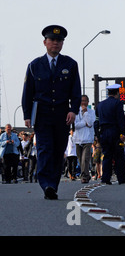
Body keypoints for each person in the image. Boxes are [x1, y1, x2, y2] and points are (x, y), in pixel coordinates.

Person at [22, 25, 81, 199]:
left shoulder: (70, 64)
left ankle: (52, 185)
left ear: (62, 43)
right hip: (42, 114)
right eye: (52, 40)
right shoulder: (34, 66)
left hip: (62, 115)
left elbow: (75, 91)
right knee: (44, 149)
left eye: (59, 40)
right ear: (45, 42)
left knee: (57, 151)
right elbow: (27, 92)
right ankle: (46, 183)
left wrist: (73, 110)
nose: (55, 43)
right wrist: (27, 115)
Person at [94, 83, 125, 185]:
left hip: (103, 133)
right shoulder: (118, 103)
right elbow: (121, 120)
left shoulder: (100, 105)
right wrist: (122, 134)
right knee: (118, 155)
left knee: (107, 155)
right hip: (114, 132)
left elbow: (96, 121)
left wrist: (97, 135)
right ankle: (121, 177)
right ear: (117, 93)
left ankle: (105, 178)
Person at [73, 94, 95, 183]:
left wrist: (85, 113)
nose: (83, 102)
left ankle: (84, 176)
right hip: (78, 139)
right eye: (82, 101)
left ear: (88, 102)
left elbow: (89, 123)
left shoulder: (91, 112)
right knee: (80, 159)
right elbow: (75, 125)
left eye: (85, 101)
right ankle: (86, 175)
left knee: (85, 159)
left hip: (88, 139)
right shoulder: (75, 112)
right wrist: (84, 123)